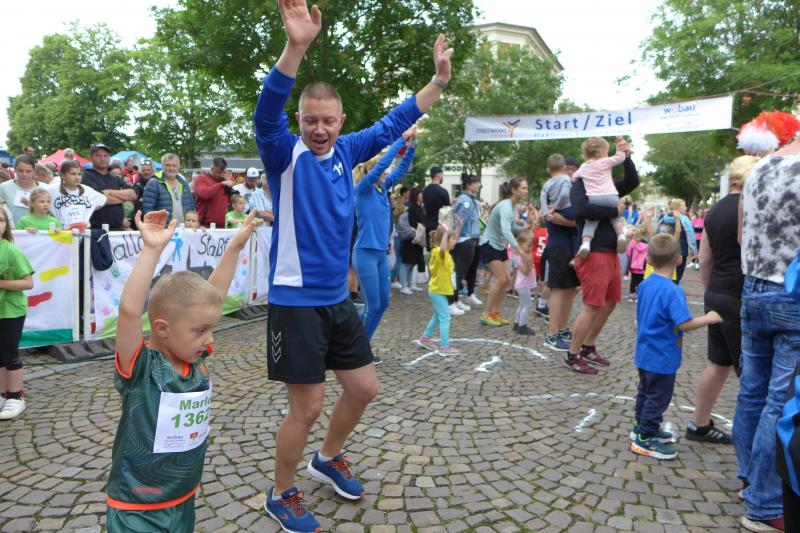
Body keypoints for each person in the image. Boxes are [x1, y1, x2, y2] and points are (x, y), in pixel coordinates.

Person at [255, 2, 453, 530]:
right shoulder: (282, 154)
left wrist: (437, 82)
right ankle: (281, 493)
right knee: (307, 407)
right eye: (309, 120)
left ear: (340, 122)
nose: (319, 129)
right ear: (299, 121)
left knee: (364, 388)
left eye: (328, 121)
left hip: (336, 301)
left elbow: (397, 120)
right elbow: (267, 107)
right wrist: (295, 46)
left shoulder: (347, 151)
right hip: (295, 302)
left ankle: (327, 458)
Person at [105, 209, 258, 532]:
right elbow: (129, 312)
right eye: (200, 331)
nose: (210, 339)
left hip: (182, 495)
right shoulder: (142, 367)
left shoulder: (193, 358)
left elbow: (213, 298)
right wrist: (151, 250)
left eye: (211, 329)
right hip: (137, 505)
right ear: (162, 328)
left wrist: (234, 247)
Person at [735, 123, 800, 533]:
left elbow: (743, 231)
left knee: (752, 392)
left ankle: (750, 480)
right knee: (780, 400)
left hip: (753, 287)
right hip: (790, 292)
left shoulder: (759, 166)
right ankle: (764, 503)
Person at [685, 156, 758, 448]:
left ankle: (699, 423)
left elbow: (705, 259)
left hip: (717, 291)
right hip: (740, 293)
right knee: (750, 373)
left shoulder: (714, 210)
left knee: (719, 364)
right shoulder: (750, 206)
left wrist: (711, 290)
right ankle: (752, 440)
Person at [629, 233, 722, 459]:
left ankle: (641, 427)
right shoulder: (672, 291)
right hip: (662, 356)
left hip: (644, 352)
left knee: (645, 391)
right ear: (679, 259)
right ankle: (645, 438)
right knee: (658, 397)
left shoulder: (645, 284)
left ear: (649, 260)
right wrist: (709, 318)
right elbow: (685, 323)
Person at [567, 137, 639, 374]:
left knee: (609, 303)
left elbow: (632, 181)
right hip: (593, 251)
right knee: (591, 305)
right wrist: (613, 210)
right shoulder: (581, 181)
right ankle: (573, 354)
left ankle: (588, 346)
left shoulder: (605, 184)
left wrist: (626, 157)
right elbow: (581, 209)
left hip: (611, 251)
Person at [352, 129, 417, 349]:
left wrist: (412, 146)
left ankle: (357, 345)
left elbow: (401, 169)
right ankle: (358, 350)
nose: (386, 173)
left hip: (379, 255)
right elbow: (383, 165)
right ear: (371, 171)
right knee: (373, 305)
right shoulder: (362, 189)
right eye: (382, 171)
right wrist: (401, 139)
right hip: (365, 253)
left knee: (382, 304)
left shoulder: (382, 189)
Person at [478, 178, 533, 326]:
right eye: (523, 188)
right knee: (501, 280)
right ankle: (485, 314)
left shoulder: (513, 206)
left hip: (500, 246)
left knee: (508, 280)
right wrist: (520, 251)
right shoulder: (505, 206)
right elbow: (506, 231)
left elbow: (512, 227)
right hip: (489, 244)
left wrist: (524, 228)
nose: (526, 191)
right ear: (514, 190)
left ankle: (495, 312)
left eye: (526, 188)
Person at [540, 154, 578, 351]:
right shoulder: (555, 188)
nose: (570, 172)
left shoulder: (569, 187)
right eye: (568, 168)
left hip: (570, 247)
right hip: (558, 246)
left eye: (573, 169)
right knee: (559, 290)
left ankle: (562, 329)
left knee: (570, 289)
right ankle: (552, 334)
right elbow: (551, 216)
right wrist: (578, 223)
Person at [0, 209, 34, 420]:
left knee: (9, 353)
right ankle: (3, 394)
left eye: (0, 220)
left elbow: (28, 283)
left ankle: (16, 397)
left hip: (11, 310)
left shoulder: (11, 251)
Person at [573, 137, 627, 259]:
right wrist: (620, 146)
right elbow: (620, 158)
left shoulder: (584, 166)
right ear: (601, 152)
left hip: (594, 199)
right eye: (606, 152)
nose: (607, 154)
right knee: (615, 218)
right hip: (611, 197)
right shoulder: (605, 161)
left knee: (591, 222)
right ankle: (621, 236)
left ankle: (586, 244)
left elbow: (574, 177)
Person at [416, 219, 462, 355]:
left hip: (439, 290)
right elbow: (442, 249)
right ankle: (444, 347)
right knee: (445, 317)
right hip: (437, 291)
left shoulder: (445, 253)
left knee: (438, 316)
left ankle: (424, 338)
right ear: (445, 240)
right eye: (452, 239)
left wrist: (459, 226)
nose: (455, 242)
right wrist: (447, 232)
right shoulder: (438, 252)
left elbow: (450, 241)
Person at [82, 144, 137, 230]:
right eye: (98, 155)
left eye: (105, 155)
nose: (102, 158)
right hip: (95, 229)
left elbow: (132, 195)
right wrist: (123, 197)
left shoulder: (115, 178)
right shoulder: (86, 176)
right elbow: (99, 199)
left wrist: (109, 192)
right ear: (91, 158)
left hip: (118, 229)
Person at [451, 172, 483, 310]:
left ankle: (456, 300)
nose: (479, 185)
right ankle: (451, 302)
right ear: (469, 185)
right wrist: (453, 239)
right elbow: (460, 222)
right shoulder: (466, 201)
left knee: (460, 272)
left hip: (466, 239)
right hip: (464, 240)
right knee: (458, 273)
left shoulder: (468, 199)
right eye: (476, 183)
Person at [48, 160, 108, 231]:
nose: (77, 177)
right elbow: (39, 202)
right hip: (63, 232)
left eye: (79, 174)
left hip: (84, 231)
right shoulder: (51, 190)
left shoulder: (87, 190)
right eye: (73, 174)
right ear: (62, 175)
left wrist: (89, 209)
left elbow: (103, 200)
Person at [141, 154, 195, 223]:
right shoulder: (154, 183)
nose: (171, 168)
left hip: (184, 228)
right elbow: (147, 211)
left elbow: (191, 208)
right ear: (162, 166)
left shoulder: (184, 184)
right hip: (163, 228)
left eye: (174, 165)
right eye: (167, 165)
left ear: (178, 167)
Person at [655, 199, 696, 284]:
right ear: (678, 208)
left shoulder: (663, 219)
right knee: (676, 278)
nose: (686, 208)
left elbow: (657, 233)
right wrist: (693, 251)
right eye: (684, 206)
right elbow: (690, 236)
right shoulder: (684, 219)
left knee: (663, 275)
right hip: (680, 250)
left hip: (663, 250)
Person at [396, 187, 426, 294]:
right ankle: (403, 285)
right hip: (410, 239)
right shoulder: (412, 208)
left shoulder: (418, 207)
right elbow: (414, 222)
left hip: (416, 239)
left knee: (412, 263)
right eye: (421, 193)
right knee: (406, 263)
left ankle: (410, 284)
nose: (422, 195)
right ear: (416, 195)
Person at [193, 157, 235, 228]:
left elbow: (234, 198)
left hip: (225, 225)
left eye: (223, 172)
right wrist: (221, 184)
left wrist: (230, 183)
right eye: (218, 172)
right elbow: (204, 194)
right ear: (212, 168)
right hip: (205, 225)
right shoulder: (201, 179)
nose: (220, 175)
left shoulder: (225, 179)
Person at [0, 156, 41, 225]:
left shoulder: (45, 188)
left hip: (38, 230)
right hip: (11, 230)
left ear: (34, 171)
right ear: (15, 169)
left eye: (28, 171)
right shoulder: (3, 187)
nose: (24, 174)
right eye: (21, 171)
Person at [512, 231, 536, 335]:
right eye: (529, 246)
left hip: (521, 284)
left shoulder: (518, 255)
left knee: (521, 305)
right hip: (523, 284)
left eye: (532, 246)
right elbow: (526, 272)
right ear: (520, 244)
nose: (531, 248)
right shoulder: (521, 257)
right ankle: (522, 326)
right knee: (527, 305)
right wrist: (530, 264)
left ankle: (516, 323)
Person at [422, 165, 450, 249]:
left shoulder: (425, 190)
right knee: (440, 251)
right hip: (440, 226)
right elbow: (448, 211)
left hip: (428, 225)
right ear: (439, 175)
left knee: (431, 251)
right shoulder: (443, 191)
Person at [532, 214, 549, 317]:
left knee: (536, 276)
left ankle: (534, 293)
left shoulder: (536, 232)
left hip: (535, 255)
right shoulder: (549, 232)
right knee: (543, 278)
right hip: (544, 256)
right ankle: (540, 294)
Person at [625, 227, 647, 303]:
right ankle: (639, 295)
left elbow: (628, 252)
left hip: (633, 265)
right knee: (641, 281)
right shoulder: (647, 244)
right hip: (643, 266)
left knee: (633, 281)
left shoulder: (632, 242)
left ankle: (632, 295)